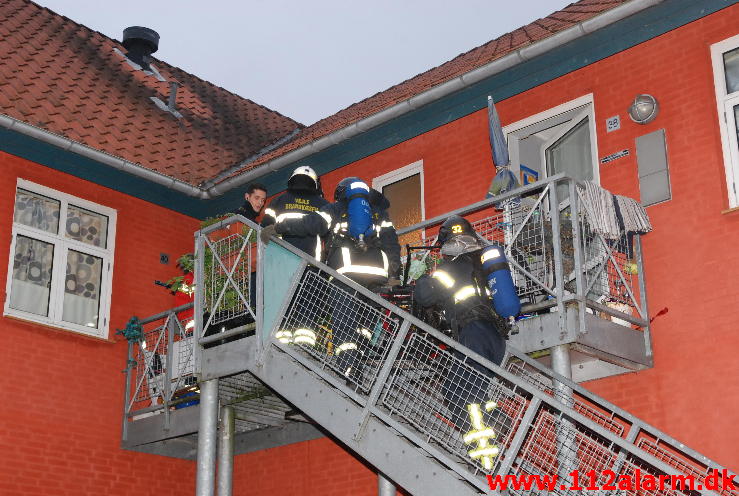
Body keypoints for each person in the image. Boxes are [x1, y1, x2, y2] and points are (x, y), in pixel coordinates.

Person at [268, 176, 401, 383]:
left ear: (341, 192)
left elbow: (310, 224)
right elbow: (392, 243)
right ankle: (360, 362)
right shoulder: (380, 213)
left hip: (345, 273)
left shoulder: (336, 208)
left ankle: (349, 371)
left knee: (345, 323)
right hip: (376, 276)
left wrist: (280, 227)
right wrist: (394, 273)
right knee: (365, 327)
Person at [414, 215, 507, 430]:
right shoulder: (482, 266)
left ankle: (482, 444)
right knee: (475, 387)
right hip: (496, 338)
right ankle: (494, 416)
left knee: (457, 390)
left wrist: (421, 277)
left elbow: (426, 296)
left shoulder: (452, 268)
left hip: (473, 332)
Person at [260, 166, 329, 259]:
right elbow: (330, 236)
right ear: (315, 183)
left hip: (282, 259)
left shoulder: (278, 201)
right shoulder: (323, 204)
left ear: (292, 180)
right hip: (311, 263)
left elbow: (265, 226)